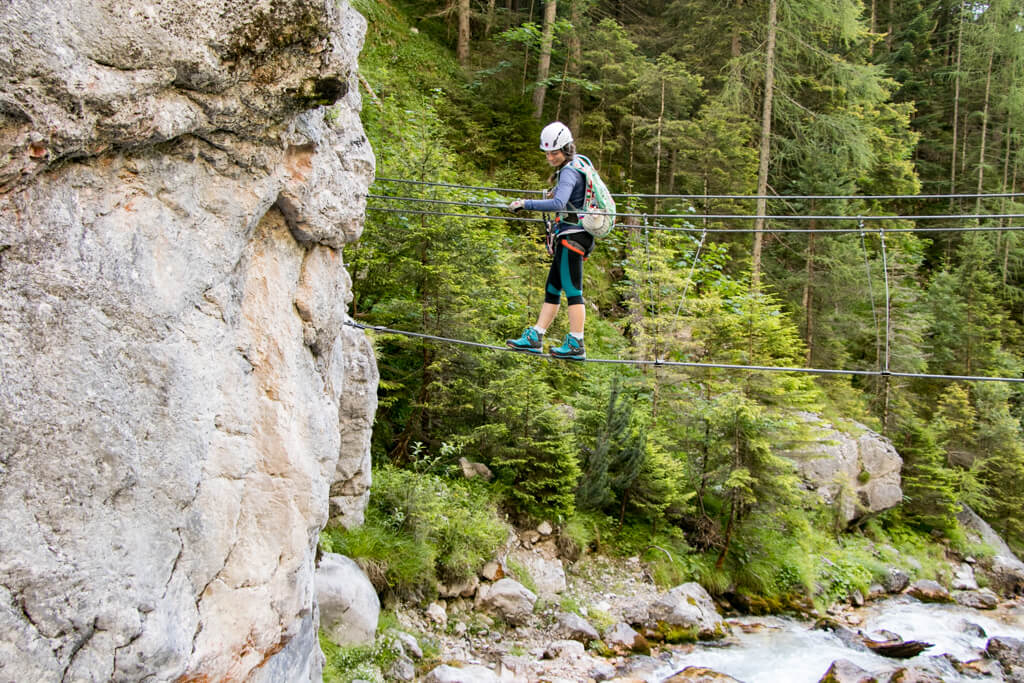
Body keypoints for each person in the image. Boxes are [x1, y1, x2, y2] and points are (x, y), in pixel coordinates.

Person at [506, 121, 592, 360]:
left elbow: (558, 204)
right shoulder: (575, 167)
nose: (551, 157)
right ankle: (536, 336)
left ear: (566, 149)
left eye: (555, 152)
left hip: (572, 237)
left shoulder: (569, 171)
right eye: (548, 153)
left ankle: (577, 342)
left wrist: (525, 203)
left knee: (573, 291)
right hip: (571, 235)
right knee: (553, 288)